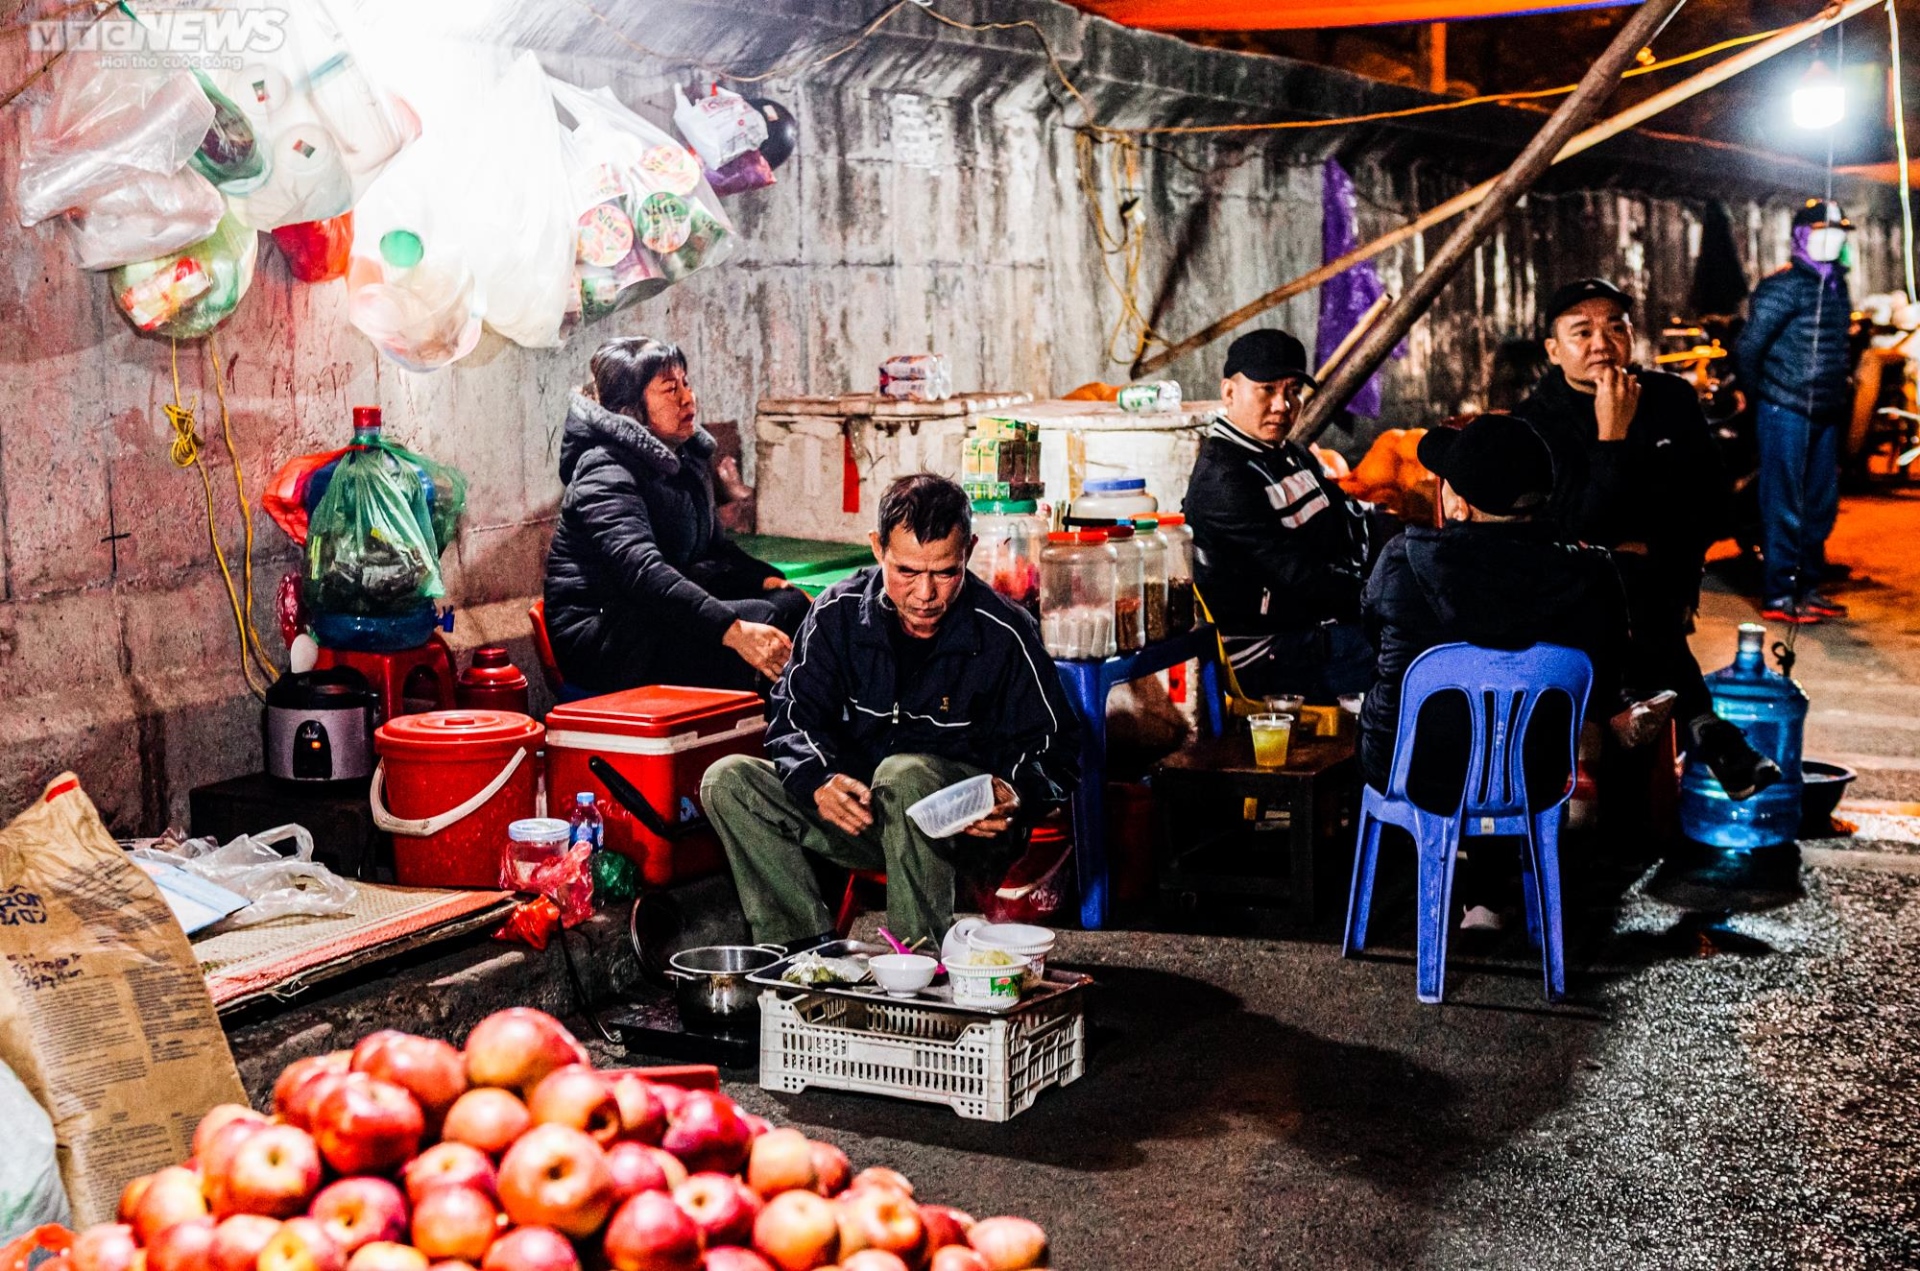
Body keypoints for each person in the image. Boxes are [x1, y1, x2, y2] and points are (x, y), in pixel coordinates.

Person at [702, 474, 1080, 950]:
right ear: (877, 549)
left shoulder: (1004, 631)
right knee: (729, 781)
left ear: (968, 551)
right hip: (864, 819)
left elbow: (1059, 747)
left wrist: (1015, 790)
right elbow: (794, 716)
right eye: (906, 571)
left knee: (903, 774)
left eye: (945, 572)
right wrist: (818, 779)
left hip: (965, 836)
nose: (925, 594)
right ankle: (803, 958)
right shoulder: (836, 614)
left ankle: (916, 967)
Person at [1361, 415, 1633, 928]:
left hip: (1414, 771)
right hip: (1535, 778)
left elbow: (1373, 635)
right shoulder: (1593, 574)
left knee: (1448, 719)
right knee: (1505, 734)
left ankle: (1474, 894)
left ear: (1459, 503)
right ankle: (1489, 893)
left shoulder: (1404, 559)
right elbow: (1608, 675)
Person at [1514, 278, 1779, 801]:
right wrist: (1611, 436)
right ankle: (1704, 726)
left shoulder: (1669, 398)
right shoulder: (1537, 421)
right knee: (1619, 578)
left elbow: (1710, 503)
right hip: (1570, 592)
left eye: (1616, 328)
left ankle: (1639, 725)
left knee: (1635, 580)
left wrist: (1663, 553)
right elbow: (1573, 529)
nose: (1601, 344)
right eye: (1581, 332)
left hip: (1661, 578)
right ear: (1553, 349)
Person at [543, 337, 809, 695]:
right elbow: (644, 573)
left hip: (655, 615)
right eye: (670, 389)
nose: (687, 398)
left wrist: (770, 581)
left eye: (686, 383)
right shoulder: (604, 470)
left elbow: (714, 550)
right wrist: (733, 631)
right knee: (762, 623)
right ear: (630, 408)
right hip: (606, 638)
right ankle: (767, 738)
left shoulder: (684, 458)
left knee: (789, 606)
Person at [1183, 328, 1374, 699]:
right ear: (1229, 393)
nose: (1282, 406)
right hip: (1267, 656)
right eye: (1267, 390)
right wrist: (1378, 599)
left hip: (1316, 628)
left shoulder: (1294, 455)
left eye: (1292, 392)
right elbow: (1298, 576)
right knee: (1410, 651)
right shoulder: (1224, 477)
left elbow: (1348, 524)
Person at [1733, 198, 1855, 623]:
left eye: (1838, 232)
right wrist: (1761, 396)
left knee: (1819, 503)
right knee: (1784, 502)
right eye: (1823, 231)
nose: (1833, 239)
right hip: (1785, 408)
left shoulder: (1837, 283)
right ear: (1802, 237)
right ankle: (1779, 593)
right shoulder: (1782, 286)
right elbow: (1749, 348)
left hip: (1824, 410)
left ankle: (1808, 587)